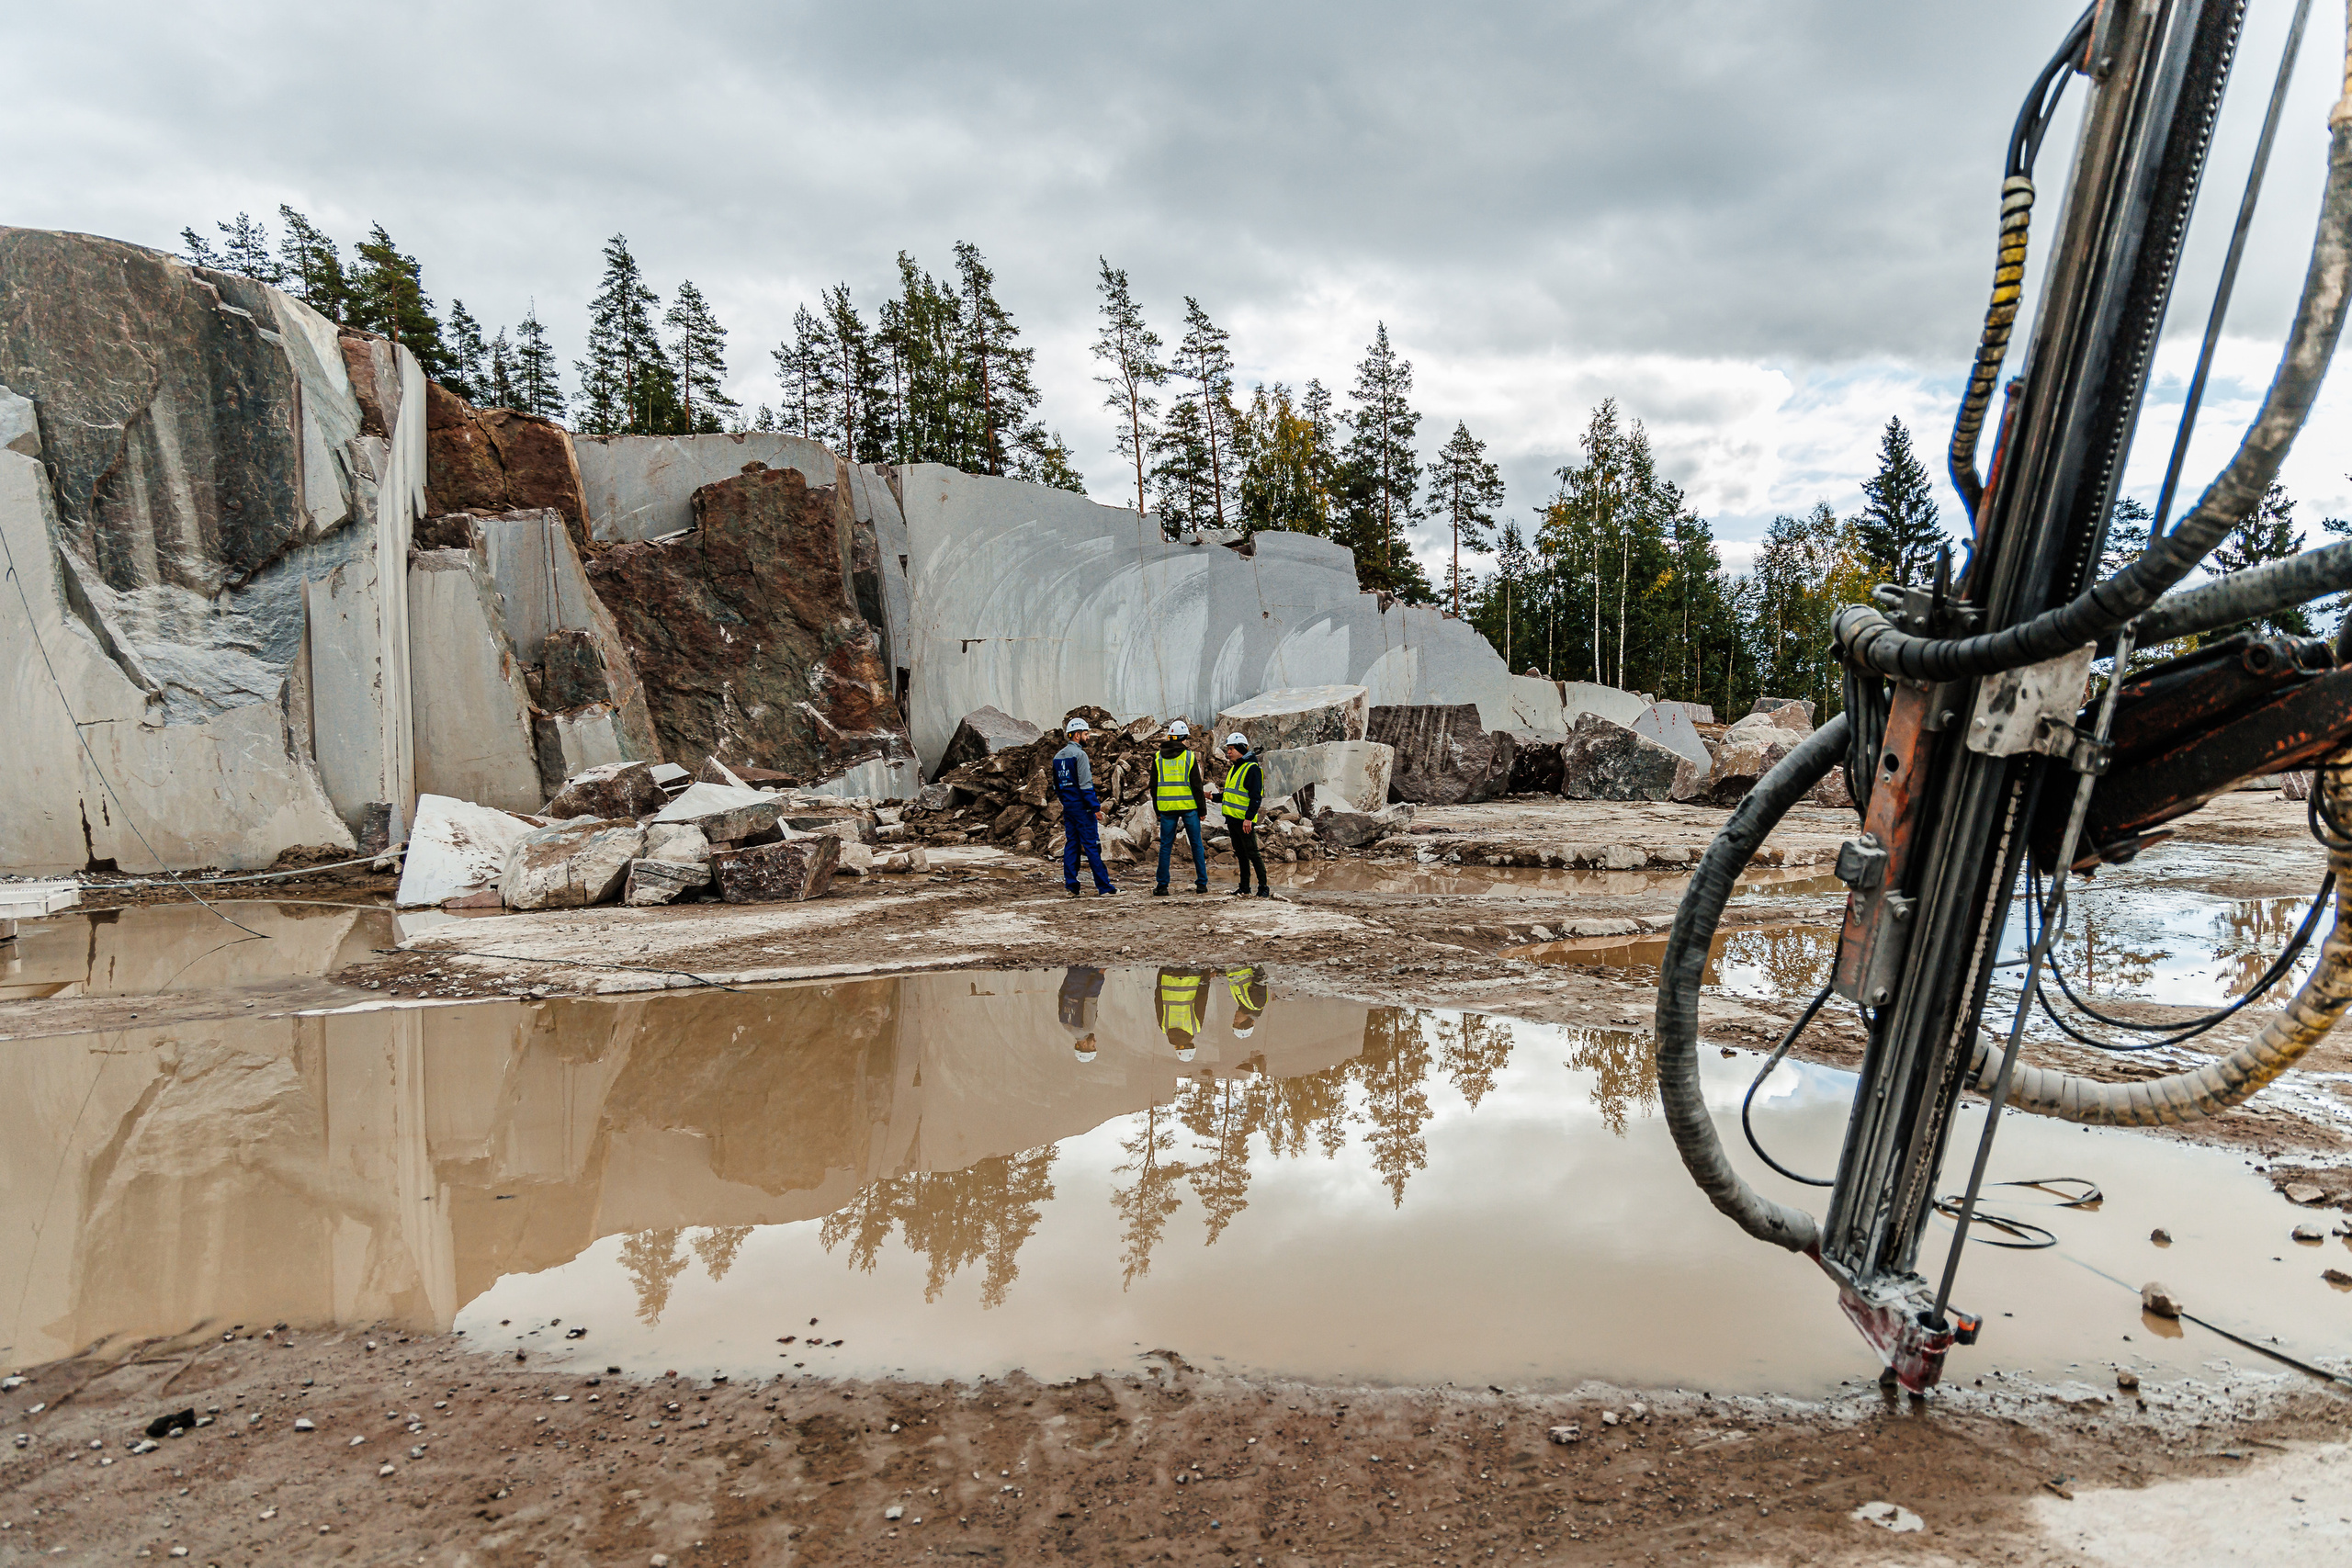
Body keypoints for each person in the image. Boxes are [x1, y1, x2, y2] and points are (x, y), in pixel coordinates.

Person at [1052, 716, 1118, 898]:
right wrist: (1095, 807)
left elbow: (1056, 786)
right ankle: (1104, 887)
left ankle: (1071, 887)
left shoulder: (1058, 757)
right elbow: (1085, 785)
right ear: (1077, 735)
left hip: (1069, 808)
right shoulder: (1080, 755)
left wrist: (1066, 802)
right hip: (1083, 808)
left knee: (1072, 845)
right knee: (1092, 846)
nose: (1088, 737)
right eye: (1086, 734)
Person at [1150, 719, 1210, 897]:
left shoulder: (1158, 758)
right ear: (1184, 739)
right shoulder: (1189, 757)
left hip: (1167, 808)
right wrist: (1202, 810)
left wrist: (1157, 809)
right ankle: (1201, 884)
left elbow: (1153, 786)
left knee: (1166, 846)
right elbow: (1197, 786)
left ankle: (1162, 885)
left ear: (1170, 737)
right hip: (1189, 807)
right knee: (1196, 845)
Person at [1217, 731, 1271, 897]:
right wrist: (1212, 796)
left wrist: (1248, 818)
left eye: (1232, 749)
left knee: (1253, 853)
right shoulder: (1236, 768)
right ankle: (1245, 887)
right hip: (1233, 819)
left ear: (1241, 749)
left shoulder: (1252, 769)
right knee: (1241, 854)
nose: (1228, 752)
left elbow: (1256, 796)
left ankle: (1263, 888)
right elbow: (1231, 794)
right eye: (1228, 749)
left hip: (1244, 820)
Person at [1156, 965, 1209, 1063]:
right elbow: (1158, 1001)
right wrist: (1160, 977)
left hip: (1192, 976)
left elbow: (1201, 999)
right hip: (1168, 976)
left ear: (1192, 1045)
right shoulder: (1164, 1027)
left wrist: (1206, 977)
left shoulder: (1195, 1028)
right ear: (1176, 1047)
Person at [1058, 964, 1104, 1061]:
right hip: (1072, 973)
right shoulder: (1064, 1024)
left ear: (1084, 1045)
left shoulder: (1087, 1028)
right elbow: (1061, 994)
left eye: (1093, 1046)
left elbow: (1090, 999)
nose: (1095, 1042)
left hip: (1088, 971)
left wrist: (1100, 975)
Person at [1227, 964, 1268, 1039]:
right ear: (1247, 1021)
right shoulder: (1257, 1004)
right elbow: (1260, 976)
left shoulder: (1241, 1003)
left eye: (1234, 1023)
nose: (1235, 1020)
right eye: (1237, 1023)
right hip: (1243, 960)